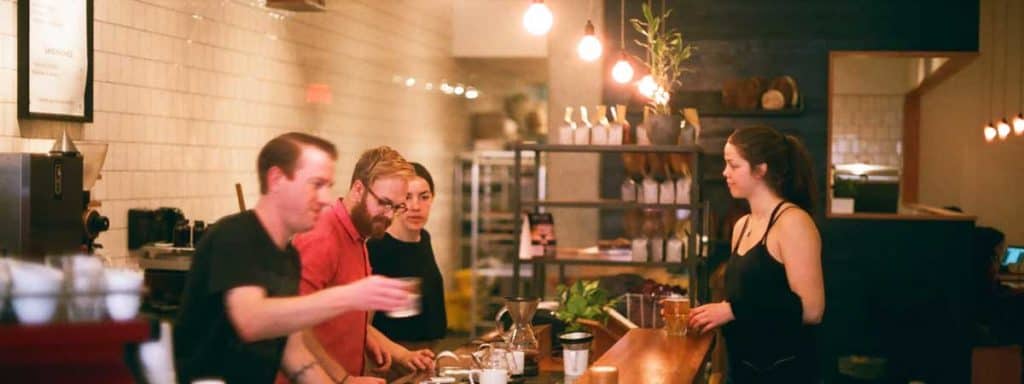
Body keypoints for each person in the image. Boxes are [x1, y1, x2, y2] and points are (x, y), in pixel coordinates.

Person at [173, 133, 414, 384]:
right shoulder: (235, 235)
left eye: (328, 187)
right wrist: (350, 296)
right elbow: (251, 320)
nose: (325, 199)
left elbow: (295, 354)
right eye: (316, 184)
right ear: (277, 179)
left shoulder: (287, 257)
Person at [688, 126, 825, 383]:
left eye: (733, 165)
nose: (725, 173)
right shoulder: (742, 225)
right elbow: (745, 299)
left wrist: (731, 310)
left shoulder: (793, 222)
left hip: (786, 373)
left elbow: (812, 309)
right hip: (742, 371)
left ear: (761, 170)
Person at [288, 147, 435, 384]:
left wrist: (381, 346)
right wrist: (344, 379)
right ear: (358, 189)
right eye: (384, 203)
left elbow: (342, 313)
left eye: (397, 207)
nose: (389, 216)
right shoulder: (321, 237)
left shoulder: (359, 235)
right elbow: (294, 326)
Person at [369, 162, 448, 350]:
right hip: (391, 357)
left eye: (424, 197)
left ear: (433, 199)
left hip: (429, 351)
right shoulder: (377, 247)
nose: (415, 206)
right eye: (407, 198)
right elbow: (363, 325)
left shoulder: (423, 238)